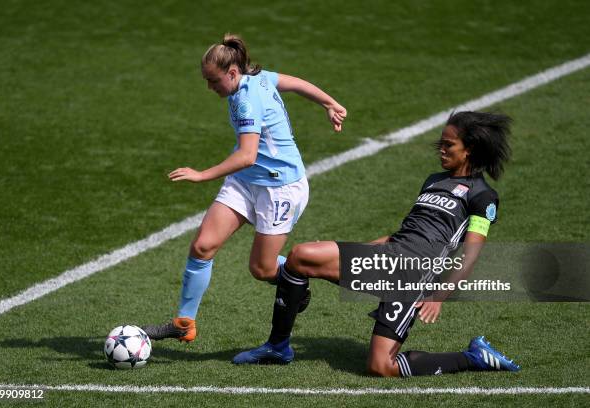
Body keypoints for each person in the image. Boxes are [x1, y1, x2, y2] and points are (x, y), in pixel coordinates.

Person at [234, 111, 522, 377]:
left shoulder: (483, 196)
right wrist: (362, 248)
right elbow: (407, 231)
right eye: (440, 144)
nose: (441, 150)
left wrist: (439, 295)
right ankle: (278, 347)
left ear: (469, 149)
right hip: (389, 255)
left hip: (412, 276)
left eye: (449, 145)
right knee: (301, 257)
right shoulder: (434, 181)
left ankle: (472, 357)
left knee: (381, 366)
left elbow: (470, 252)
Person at [142, 34, 347, 343]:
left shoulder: (244, 101)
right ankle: (184, 322)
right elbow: (295, 83)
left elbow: (246, 155)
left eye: (213, 81)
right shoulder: (258, 76)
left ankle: (300, 275)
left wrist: (202, 175)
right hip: (247, 181)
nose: (210, 88)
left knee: (262, 269)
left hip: (280, 188)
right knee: (202, 246)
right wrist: (328, 102)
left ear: (233, 73)